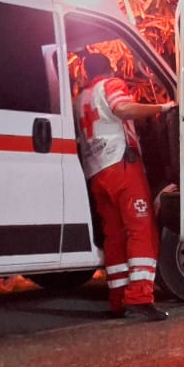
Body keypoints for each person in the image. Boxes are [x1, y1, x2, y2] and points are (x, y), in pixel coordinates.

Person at [74, 53, 175, 322]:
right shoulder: (111, 84)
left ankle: (118, 299)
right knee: (141, 229)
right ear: (109, 68)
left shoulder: (80, 98)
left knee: (114, 235)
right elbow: (123, 109)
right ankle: (140, 297)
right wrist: (162, 108)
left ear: (86, 72)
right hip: (121, 165)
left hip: (96, 171)